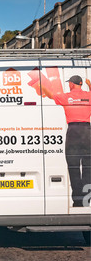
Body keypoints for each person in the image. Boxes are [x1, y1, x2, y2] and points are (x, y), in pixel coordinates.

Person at [39, 75, 91, 207]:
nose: (69, 85)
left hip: (73, 132)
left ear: (73, 84)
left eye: (70, 83)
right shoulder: (88, 96)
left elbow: (50, 95)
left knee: (73, 167)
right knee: (88, 167)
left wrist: (42, 86)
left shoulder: (66, 97)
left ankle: (78, 199)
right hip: (87, 132)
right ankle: (87, 198)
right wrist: (89, 84)